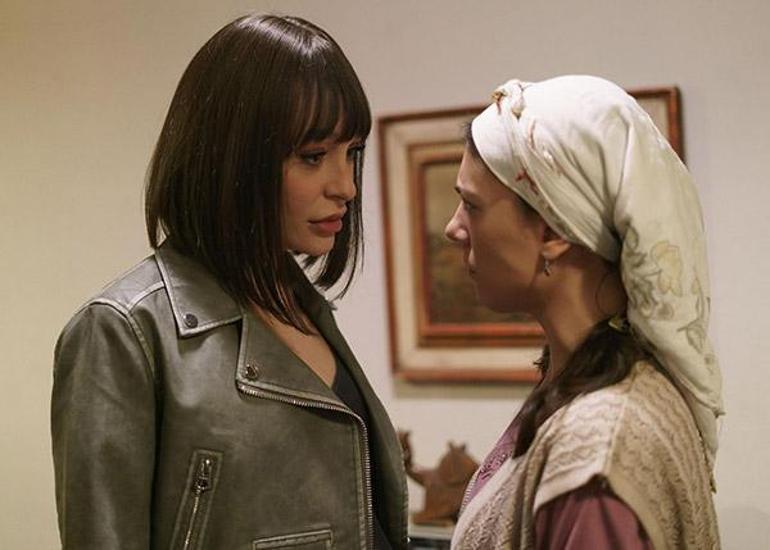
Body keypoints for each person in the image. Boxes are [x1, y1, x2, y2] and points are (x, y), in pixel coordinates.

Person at [51, 14, 406, 549]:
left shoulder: (304, 307)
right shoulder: (123, 331)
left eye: (351, 153)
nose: (346, 186)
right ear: (234, 158)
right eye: (313, 157)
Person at [444, 76, 722, 549]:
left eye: (472, 205)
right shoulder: (598, 385)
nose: (454, 228)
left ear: (553, 231)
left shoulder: (597, 447)